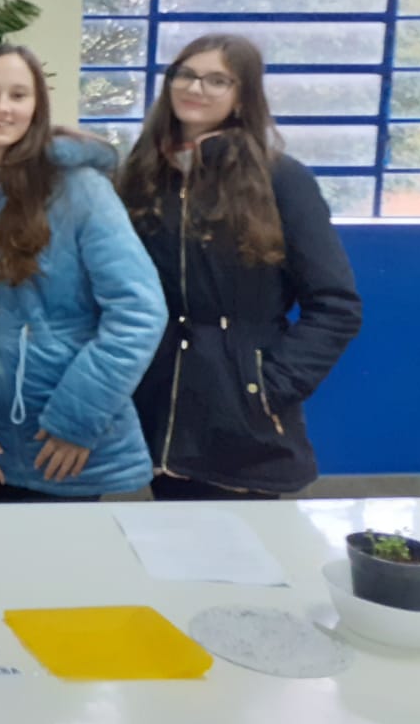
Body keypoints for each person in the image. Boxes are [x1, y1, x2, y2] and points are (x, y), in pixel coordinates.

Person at [117, 33, 362, 500]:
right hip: (159, 411)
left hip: (245, 422)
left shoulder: (282, 178)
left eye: (217, 80)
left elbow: (336, 306)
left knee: (242, 545)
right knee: (166, 538)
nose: (196, 88)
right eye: (186, 74)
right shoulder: (144, 173)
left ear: (242, 96)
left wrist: (265, 387)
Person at [0, 45, 166, 502]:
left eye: (18, 95)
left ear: (37, 108)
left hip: (64, 444)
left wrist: (76, 419)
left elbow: (140, 312)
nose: (2, 107)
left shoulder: (81, 190)